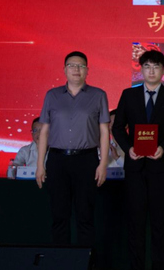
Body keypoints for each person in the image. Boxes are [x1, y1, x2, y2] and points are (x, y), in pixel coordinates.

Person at [112, 50, 164, 270]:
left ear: (163, 70)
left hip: (161, 168)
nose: (151, 71)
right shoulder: (129, 95)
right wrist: (128, 148)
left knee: (159, 224)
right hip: (135, 168)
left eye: (156, 66)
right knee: (135, 223)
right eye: (147, 66)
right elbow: (117, 127)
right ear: (141, 69)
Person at [36, 51, 110, 247]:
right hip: (57, 160)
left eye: (81, 66)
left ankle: (85, 260)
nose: (76, 69)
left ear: (87, 70)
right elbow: (44, 131)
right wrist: (40, 165)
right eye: (72, 65)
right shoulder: (52, 95)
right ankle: (61, 259)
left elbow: (104, 131)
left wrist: (103, 163)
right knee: (59, 216)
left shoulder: (98, 95)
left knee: (85, 216)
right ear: (64, 69)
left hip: (86, 160)